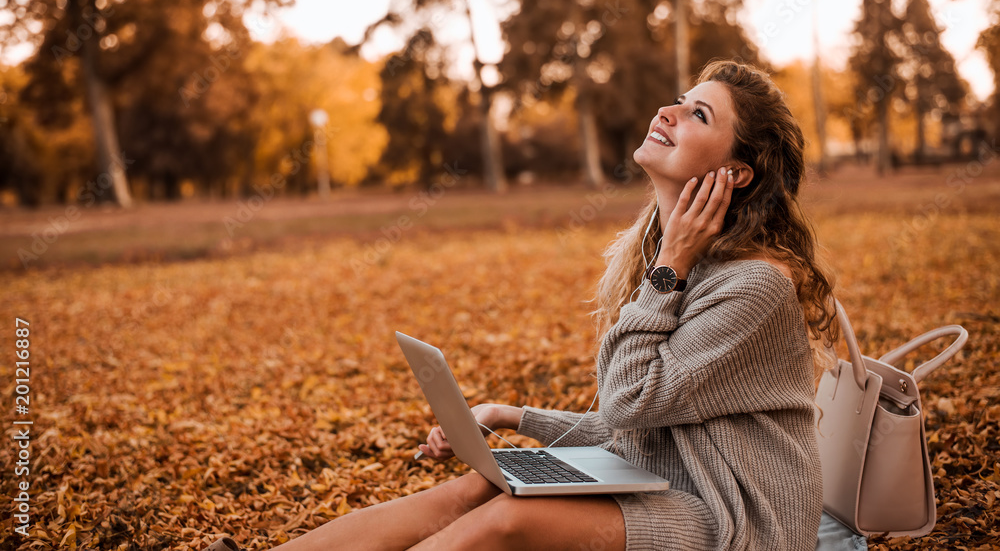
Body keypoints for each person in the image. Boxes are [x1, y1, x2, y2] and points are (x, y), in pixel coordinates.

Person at [206, 59, 840, 551]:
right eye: (679, 99)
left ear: (736, 173)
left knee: (509, 519)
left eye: (699, 114)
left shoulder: (751, 284)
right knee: (483, 481)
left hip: (738, 521)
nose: (669, 110)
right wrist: (510, 415)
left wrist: (669, 266)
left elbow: (629, 403)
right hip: (672, 485)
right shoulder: (666, 258)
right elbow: (643, 430)